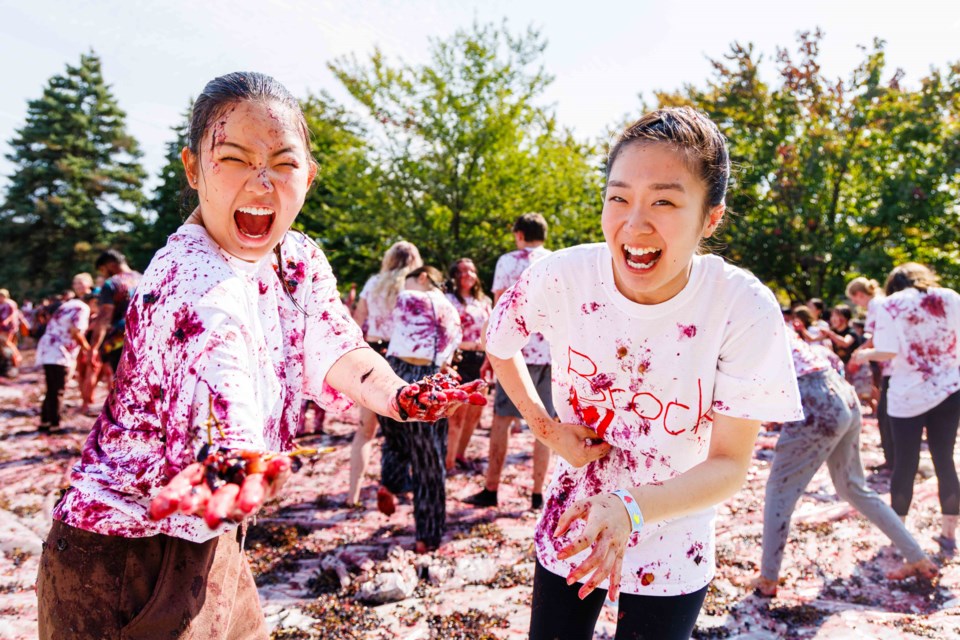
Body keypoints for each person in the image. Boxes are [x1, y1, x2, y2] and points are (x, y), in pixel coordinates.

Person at [36, 72, 478, 640]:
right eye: (236, 159)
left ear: (310, 177)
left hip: (215, 532)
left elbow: (337, 343)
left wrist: (396, 392)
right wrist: (237, 458)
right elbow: (219, 381)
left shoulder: (295, 257)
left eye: (284, 164)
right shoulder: (187, 277)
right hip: (123, 551)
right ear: (193, 168)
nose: (262, 183)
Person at [485, 107, 804, 639]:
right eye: (618, 197)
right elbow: (500, 345)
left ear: (710, 217)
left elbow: (729, 464)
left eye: (664, 201)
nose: (635, 224)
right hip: (575, 516)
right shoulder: (562, 277)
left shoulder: (741, 306)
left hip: (674, 534)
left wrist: (630, 508)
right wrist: (549, 430)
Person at [750, 327, 936, 597]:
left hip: (815, 399)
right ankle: (917, 558)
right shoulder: (769, 319)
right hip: (840, 392)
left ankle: (767, 579)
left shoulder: (731, 323)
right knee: (852, 486)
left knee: (780, 490)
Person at [853, 262, 960, 554]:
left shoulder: (891, 304)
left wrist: (864, 355)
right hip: (949, 390)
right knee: (945, 459)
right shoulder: (950, 297)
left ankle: (898, 535)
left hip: (907, 395)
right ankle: (949, 533)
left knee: (905, 463)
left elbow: (888, 351)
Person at [465, 213, 554, 510]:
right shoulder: (555, 260)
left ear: (518, 234)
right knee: (546, 424)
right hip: (550, 354)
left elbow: (500, 309)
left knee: (502, 421)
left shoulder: (508, 261)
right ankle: (538, 493)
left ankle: (491, 488)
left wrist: (492, 353)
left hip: (514, 352)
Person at [376, 265, 462, 552]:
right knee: (429, 461)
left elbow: (380, 330)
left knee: (392, 438)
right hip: (427, 379)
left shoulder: (407, 297)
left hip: (393, 372)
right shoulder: (452, 311)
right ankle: (428, 534)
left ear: (422, 277)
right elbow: (449, 354)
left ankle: (393, 482)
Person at [347, 241, 423, 506]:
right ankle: (402, 485)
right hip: (403, 358)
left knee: (365, 431)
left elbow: (356, 321)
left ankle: (352, 495)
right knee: (410, 426)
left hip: (372, 352)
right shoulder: (415, 287)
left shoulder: (373, 283)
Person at [445, 258, 492, 472]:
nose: (468, 275)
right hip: (458, 358)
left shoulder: (483, 302)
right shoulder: (448, 300)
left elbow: (492, 330)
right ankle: (448, 461)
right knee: (457, 415)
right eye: (462, 271)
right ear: (455, 275)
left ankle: (460, 454)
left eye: (472, 271)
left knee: (475, 413)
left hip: (480, 359)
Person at [848, 276, 894, 469]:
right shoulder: (881, 302)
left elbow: (876, 338)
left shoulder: (876, 305)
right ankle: (893, 459)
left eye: (855, 299)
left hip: (891, 365)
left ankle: (893, 460)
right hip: (889, 365)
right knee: (885, 414)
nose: (856, 304)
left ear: (859, 294)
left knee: (885, 415)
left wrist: (857, 355)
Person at [37, 276, 93, 431]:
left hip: (49, 347)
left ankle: (45, 421)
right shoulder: (82, 308)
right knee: (58, 388)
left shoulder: (69, 304)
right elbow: (76, 331)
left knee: (51, 387)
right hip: (59, 350)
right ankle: (55, 424)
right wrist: (88, 349)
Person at [89, 249, 142, 384]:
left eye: (102, 270)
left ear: (110, 265)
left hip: (120, 341)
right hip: (144, 339)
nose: (103, 274)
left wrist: (93, 348)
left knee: (124, 385)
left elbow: (104, 318)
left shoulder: (111, 284)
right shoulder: (144, 278)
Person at [0, 289, 21, 369]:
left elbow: (12, 315)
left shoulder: (10, 304)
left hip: (9, 327)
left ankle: (16, 357)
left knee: (7, 342)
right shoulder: (1, 304)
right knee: (4, 343)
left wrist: (6, 321)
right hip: (2, 327)